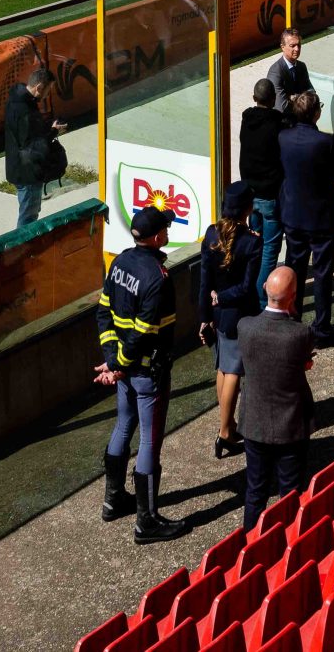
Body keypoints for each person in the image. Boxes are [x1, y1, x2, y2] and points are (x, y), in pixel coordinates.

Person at [96, 205, 186, 543]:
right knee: (149, 440)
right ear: (157, 237)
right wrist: (120, 364)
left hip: (125, 370)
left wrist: (112, 362)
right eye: (166, 229)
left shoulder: (119, 262)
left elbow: (103, 314)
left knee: (123, 425)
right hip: (147, 372)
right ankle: (146, 523)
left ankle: (113, 500)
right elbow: (142, 333)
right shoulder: (157, 278)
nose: (168, 232)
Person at [236, 264, 316, 530]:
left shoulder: (245, 327)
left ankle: (250, 541)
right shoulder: (301, 333)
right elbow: (303, 360)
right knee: (291, 492)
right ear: (293, 297)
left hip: (254, 422)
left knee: (255, 490)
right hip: (290, 425)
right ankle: (289, 540)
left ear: (264, 289)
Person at [198, 183, 263, 459]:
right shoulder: (252, 242)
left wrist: (205, 316)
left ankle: (228, 423)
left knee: (223, 368)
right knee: (234, 370)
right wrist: (221, 299)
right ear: (247, 208)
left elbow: (204, 282)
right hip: (239, 314)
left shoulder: (211, 233)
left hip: (218, 316)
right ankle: (225, 432)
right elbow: (248, 287)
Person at [277, 92, 334, 343]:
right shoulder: (325, 142)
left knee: (294, 270)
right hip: (321, 216)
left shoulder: (283, 137)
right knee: (322, 273)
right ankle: (321, 327)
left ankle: (292, 320)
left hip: (294, 214)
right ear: (317, 113)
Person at [238, 78, 288, 277]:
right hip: (270, 195)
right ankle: (262, 292)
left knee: (255, 244)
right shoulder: (277, 123)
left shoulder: (246, 120)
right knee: (269, 248)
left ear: (254, 98)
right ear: (274, 99)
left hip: (251, 195)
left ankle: (251, 284)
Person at [2, 71, 66, 228]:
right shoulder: (24, 110)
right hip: (27, 173)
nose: (47, 95)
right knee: (28, 219)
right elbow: (32, 145)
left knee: (29, 212)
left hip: (19, 168)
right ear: (39, 87)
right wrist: (53, 132)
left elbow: (28, 134)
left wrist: (48, 128)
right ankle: (21, 244)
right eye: (47, 90)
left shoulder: (19, 100)